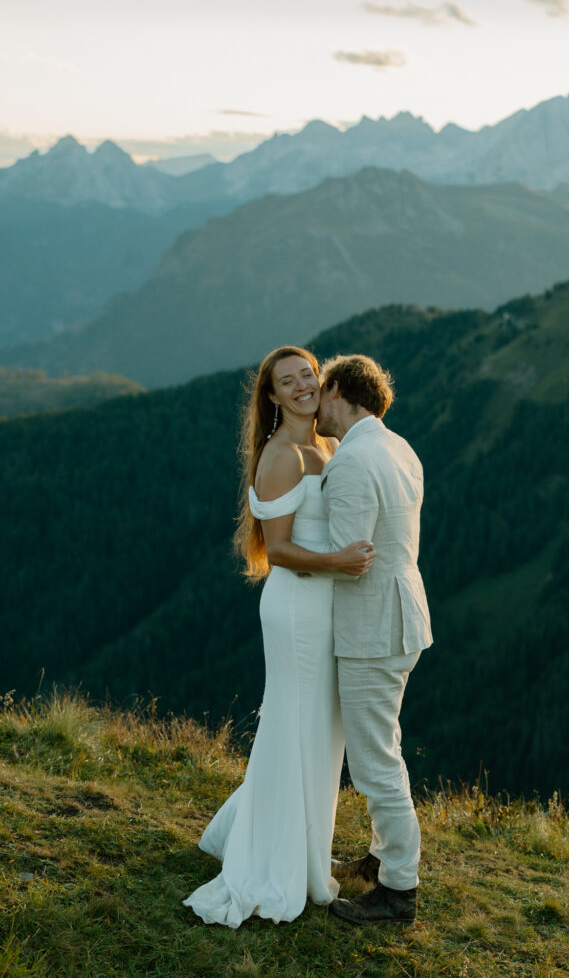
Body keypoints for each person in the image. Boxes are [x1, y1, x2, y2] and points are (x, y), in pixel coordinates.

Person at [183, 345, 375, 928]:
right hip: (296, 607)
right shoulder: (281, 455)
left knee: (321, 729)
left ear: (323, 381)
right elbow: (279, 550)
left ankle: (309, 846)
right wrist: (341, 562)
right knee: (294, 724)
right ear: (270, 396)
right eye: (286, 382)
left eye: (308, 376)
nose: (301, 387)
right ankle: (277, 859)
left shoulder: (332, 445)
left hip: (328, 606)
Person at [316, 354, 433, 926]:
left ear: (338, 390)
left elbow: (349, 556)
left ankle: (399, 892)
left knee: (376, 762)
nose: (314, 403)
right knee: (385, 743)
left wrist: (293, 557)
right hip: (403, 615)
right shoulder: (398, 446)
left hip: (372, 629)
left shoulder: (355, 459)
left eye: (320, 391)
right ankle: (383, 857)